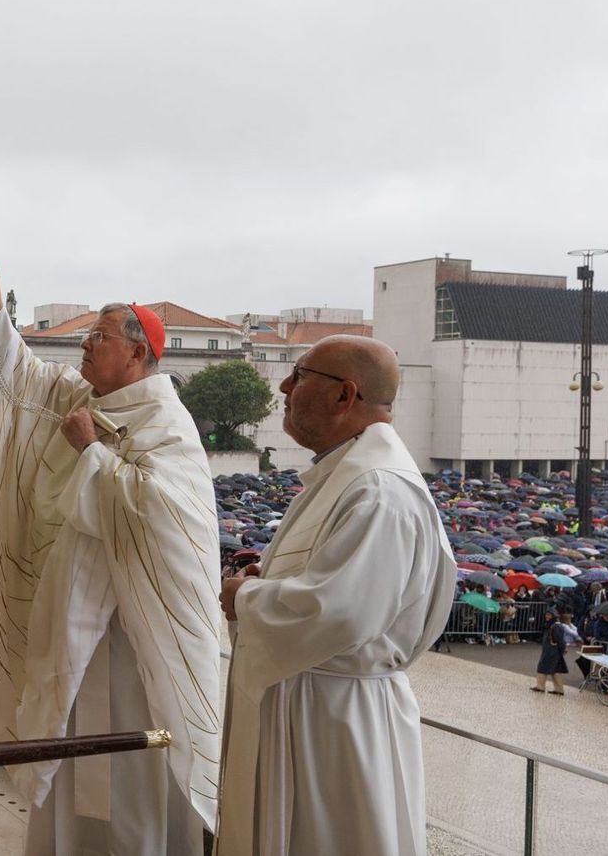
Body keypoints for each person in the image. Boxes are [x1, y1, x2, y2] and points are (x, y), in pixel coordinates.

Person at [0, 263, 221, 856]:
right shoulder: (83, 397)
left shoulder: (166, 423)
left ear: (138, 353)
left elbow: (165, 519)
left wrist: (92, 453)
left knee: (129, 768)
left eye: (100, 336)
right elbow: (22, 379)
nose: (86, 345)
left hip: (131, 636)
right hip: (71, 625)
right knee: (67, 758)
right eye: (88, 334)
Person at [217, 336, 455, 856]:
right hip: (309, 703)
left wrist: (246, 597)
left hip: (334, 722)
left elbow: (343, 613)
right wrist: (270, 579)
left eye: (299, 375)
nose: (284, 386)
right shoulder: (344, 472)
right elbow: (333, 580)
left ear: (345, 395)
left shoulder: (379, 490)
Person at [533, 609, 570, 694]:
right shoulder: (552, 625)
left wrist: (563, 649)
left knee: (542, 667)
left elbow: (560, 640)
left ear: (553, 615)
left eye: (549, 615)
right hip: (552, 651)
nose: (547, 616)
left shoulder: (555, 626)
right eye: (546, 614)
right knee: (556, 670)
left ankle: (540, 686)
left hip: (551, 651)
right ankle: (559, 689)